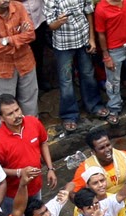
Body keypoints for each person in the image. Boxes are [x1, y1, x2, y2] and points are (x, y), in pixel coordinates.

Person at [43, 0, 107, 132]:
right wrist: (58, 22)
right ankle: (69, 115)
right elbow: (50, 25)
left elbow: (88, 12)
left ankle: (94, 105)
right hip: (63, 45)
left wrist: (92, 39)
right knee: (66, 80)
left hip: (83, 39)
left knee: (88, 73)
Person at [0, 94, 56, 208]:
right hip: (12, 195)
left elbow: (43, 143)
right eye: (10, 114)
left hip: (35, 187)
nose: (16, 115)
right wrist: (19, 172)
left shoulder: (33, 122)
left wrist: (50, 168)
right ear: (2, 118)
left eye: (17, 110)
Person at [0, 0, 39, 118]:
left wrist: (7, 40)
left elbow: (31, 34)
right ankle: (9, 135)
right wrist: (20, 38)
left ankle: (32, 132)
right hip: (2, 68)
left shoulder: (19, 7)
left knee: (30, 101)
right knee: (6, 106)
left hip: (25, 62)